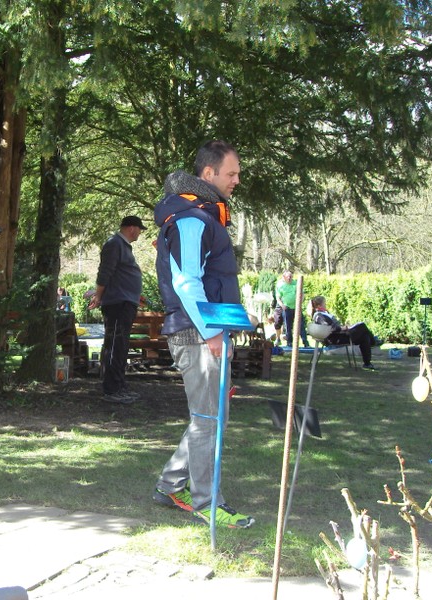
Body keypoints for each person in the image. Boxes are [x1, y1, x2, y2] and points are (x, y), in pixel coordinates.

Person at [151, 140, 254, 529]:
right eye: (231, 173)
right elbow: (187, 282)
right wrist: (213, 334)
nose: (236, 181)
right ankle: (208, 503)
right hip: (197, 334)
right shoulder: (192, 219)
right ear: (208, 174)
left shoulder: (201, 215)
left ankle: (169, 486)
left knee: (209, 416)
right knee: (209, 418)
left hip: (203, 332)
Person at [87, 215, 146, 404]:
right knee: (115, 345)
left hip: (126, 301)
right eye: (139, 229)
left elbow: (121, 275)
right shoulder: (114, 244)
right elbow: (105, 272)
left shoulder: (123, 246)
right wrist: (98, 295)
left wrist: (135, 294)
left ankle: (120, 385)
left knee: (121, 346)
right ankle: (111, 389)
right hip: (117, 304)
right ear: (131, 228)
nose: (139, 233)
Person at [310, 296, 379, 370]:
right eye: (324, 304)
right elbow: (329, 328)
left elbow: (333, 325)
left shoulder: (324, 313)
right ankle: (374, 342)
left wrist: (344, 327)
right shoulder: (319, 316)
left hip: (340, 334)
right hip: (335, 338)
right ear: (319, 306)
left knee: (364, 336)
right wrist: (342, 328)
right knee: (362, 326)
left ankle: (367, 363)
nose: (325, 305)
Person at [276, 270, 309, 348]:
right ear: (284, 277)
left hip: (297, 308)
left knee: (301, 325)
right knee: (288, 326)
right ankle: (289, 342)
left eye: (291, 276)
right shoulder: (280, 285)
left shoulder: (296, 283)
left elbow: (302, 294)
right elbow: (278, 297)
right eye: (288, 277)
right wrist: (282, 305)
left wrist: (300, 303)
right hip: (287, 308)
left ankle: (305, 342)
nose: (290, 278)